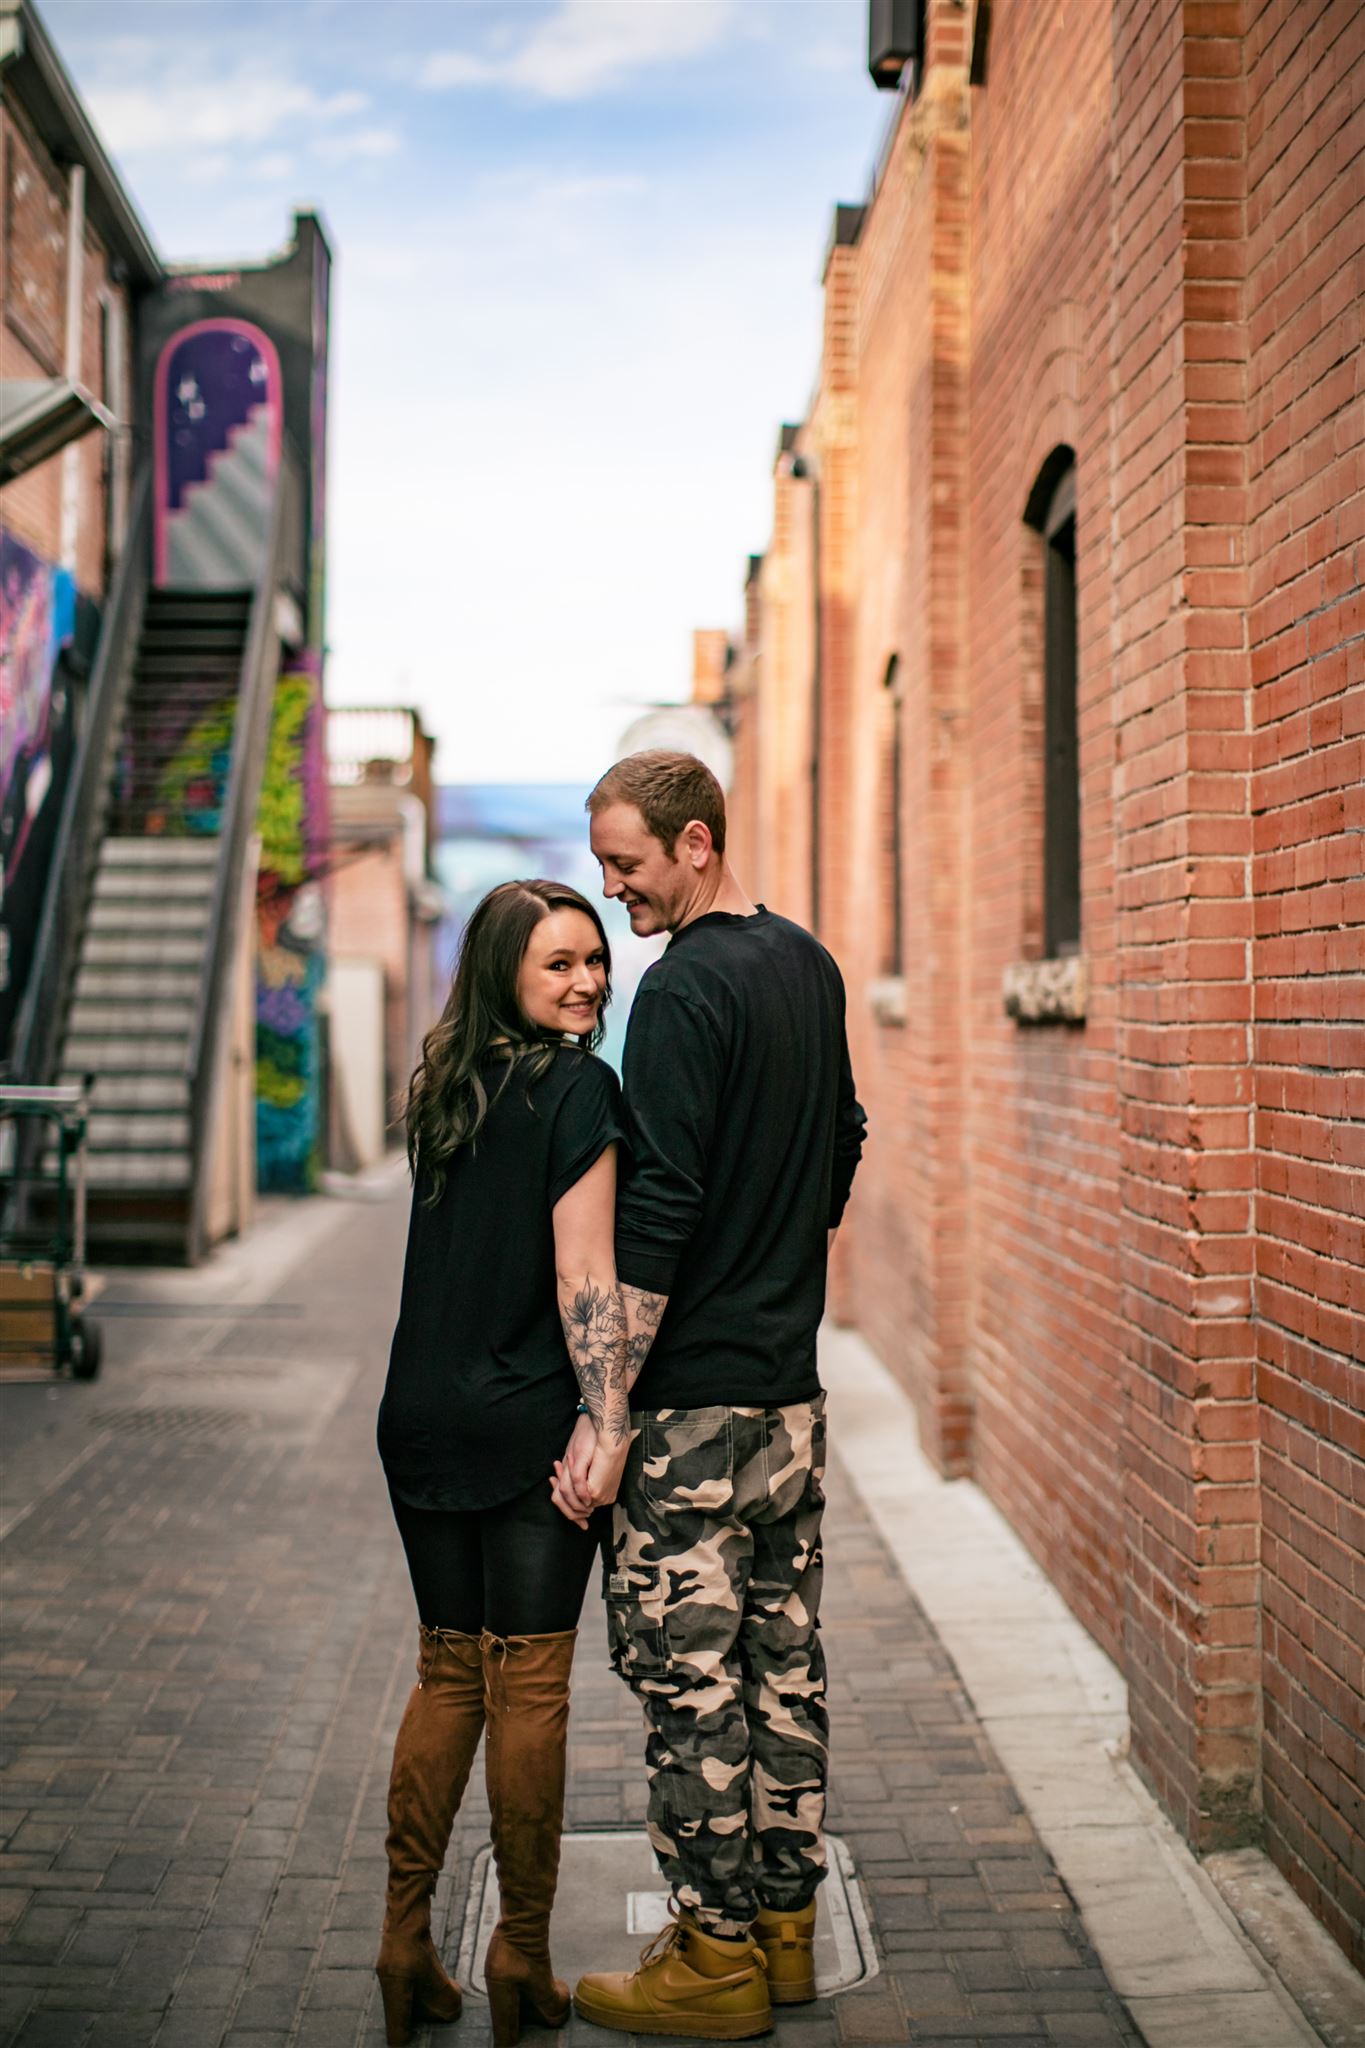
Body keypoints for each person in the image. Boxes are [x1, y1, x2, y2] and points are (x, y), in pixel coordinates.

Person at [555, 751, 867, 2039]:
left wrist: (608, 1409)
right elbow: (844, 1133)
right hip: (789, 1401)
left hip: (687, 1412)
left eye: (625, 860)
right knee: (783, 1668)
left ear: (694, 842)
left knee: (692, 1688)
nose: (611, 887)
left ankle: (714, 1960)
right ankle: (787, 1936)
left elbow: (664, 1204)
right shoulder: (808, 962)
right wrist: (786, 1259)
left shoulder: (681, 989)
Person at [374, 879, 631, 2048]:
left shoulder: (445, 1088)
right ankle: (520, 1957)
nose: (584, 982)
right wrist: (610, 1417)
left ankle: (402, 1943)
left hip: (419, 1412)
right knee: (527, 1683)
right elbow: (585, 1276)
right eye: (557, 966)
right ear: (506, 976)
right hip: (525, 1418)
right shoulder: (578, 1087)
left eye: (591, 959)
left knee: (445, 1673)